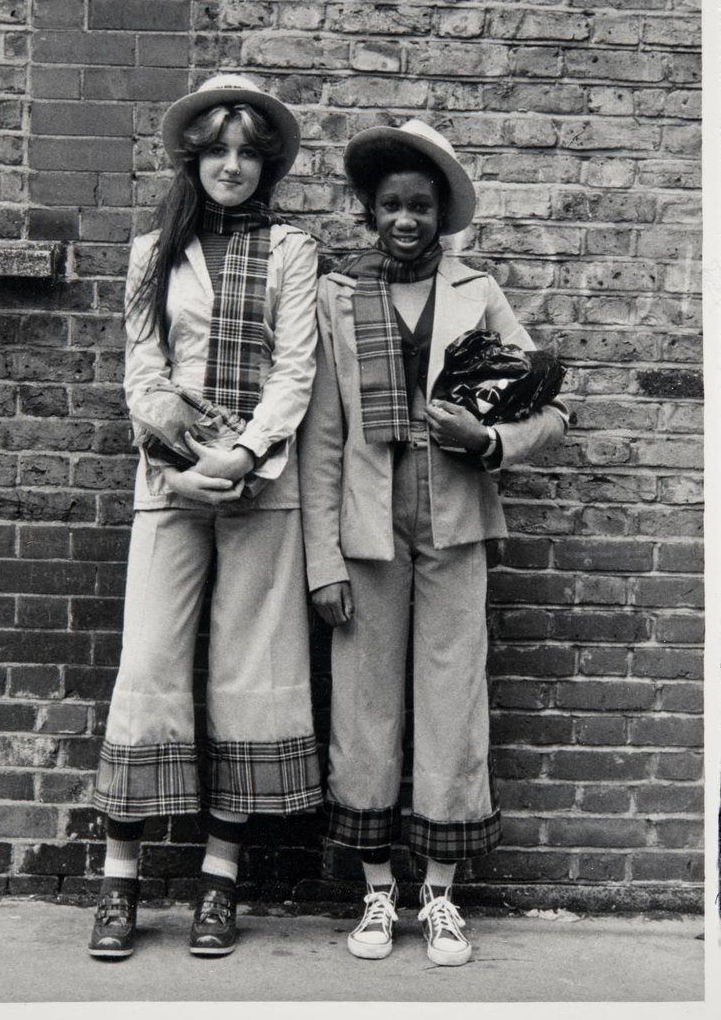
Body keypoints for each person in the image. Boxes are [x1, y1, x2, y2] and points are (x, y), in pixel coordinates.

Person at [298, 120, 568, 967]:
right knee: (363, 707)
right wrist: (321, 562)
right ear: (369, 211)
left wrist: (486, 443)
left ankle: (440, 897)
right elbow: (321, 442)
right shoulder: (338, 297)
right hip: (368, 534)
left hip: (454, 526)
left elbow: (547, 405)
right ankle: (378, 894)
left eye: (420, 205)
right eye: (390, 205)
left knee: (453, 704)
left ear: (440, 214)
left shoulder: (476, 291)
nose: (405, 218)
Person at [88, 73, 322, 960]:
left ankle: (219, 884)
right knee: (147, 665)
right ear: (194, 157)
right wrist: (181, 466)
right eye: (217, 150)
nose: (232, 166)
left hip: (262, 482)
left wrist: (244, 454)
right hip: (170, 485)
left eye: (249, 153)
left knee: (245, 672)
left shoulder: (295, 252)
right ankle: (119, 884)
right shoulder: (154, 251)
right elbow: (141, 377)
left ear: (267, 167)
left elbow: (295, 370)